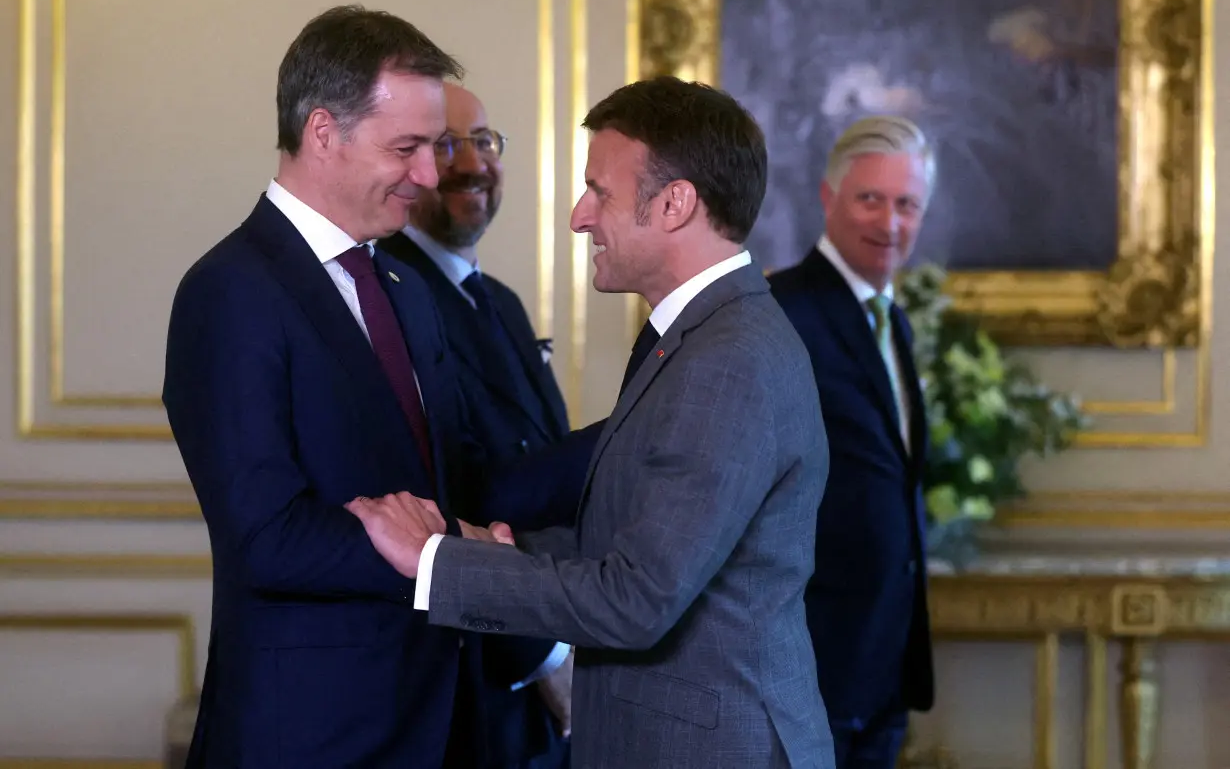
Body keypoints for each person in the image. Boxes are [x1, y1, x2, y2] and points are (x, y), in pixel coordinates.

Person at [346, 76, 837, 769]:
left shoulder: (728, 360)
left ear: (674, 204)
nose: (580, 216)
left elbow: (636, 599)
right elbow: (639, 534)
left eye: (599, 192)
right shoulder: (699, 338)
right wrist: (487, 543)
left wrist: (436, 563)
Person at [162, 5, 560, 768]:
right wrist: (450, 550)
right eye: (407, 147)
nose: (429, 174)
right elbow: (266, 540)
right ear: (322, 132)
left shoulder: (408, 289)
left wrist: (641, 423)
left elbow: (469, 481)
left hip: (444, 723)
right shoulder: (229, 291)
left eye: (434, 146)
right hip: (310, 736)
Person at [379, 82, 573, 768]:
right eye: (447, 145)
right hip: (474, 684)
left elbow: (544, 481)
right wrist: (545, 653)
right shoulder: (390, 301)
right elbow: (452, 495)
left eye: (484, 141)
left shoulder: (503, 304)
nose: (472, 164)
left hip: (542, 665)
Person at [767, 115, 936, 769]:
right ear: (828, 197)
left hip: (884, 663)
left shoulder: (892, 320)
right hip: (810, 661)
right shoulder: (784, 310)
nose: (890, 222)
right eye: (871, 199)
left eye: (907, 204)